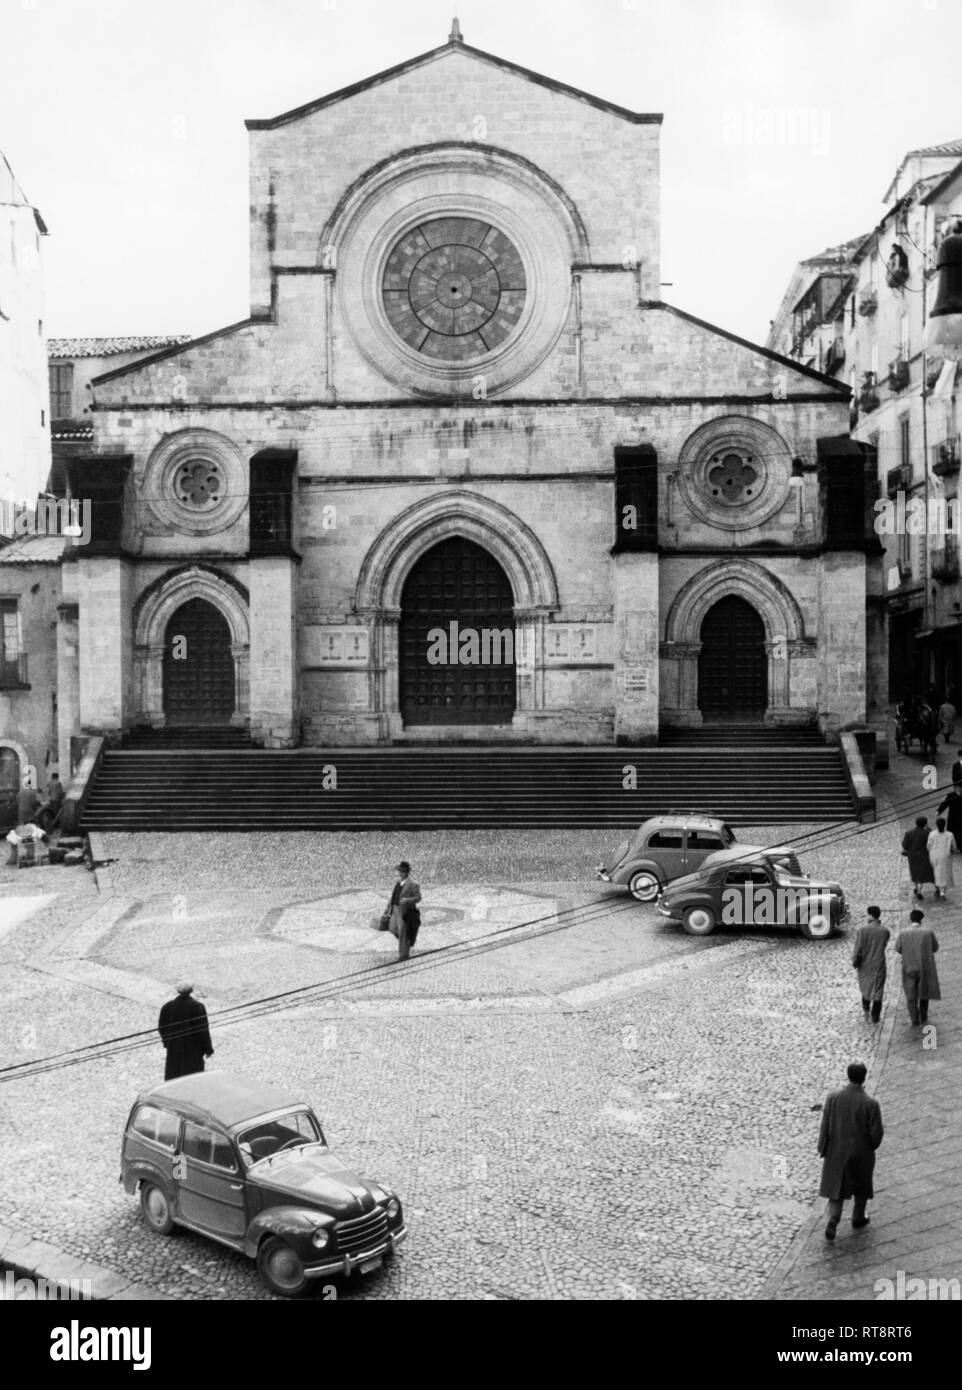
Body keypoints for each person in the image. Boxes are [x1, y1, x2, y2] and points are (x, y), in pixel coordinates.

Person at [817, 1061, 884, 1241]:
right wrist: (871, 1146)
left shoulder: (833, 1097)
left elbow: (825, 1123)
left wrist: (822, 1146)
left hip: (837, 1150)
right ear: (864, 1078)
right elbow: (876, 1133)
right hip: (861, 1152)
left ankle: (834, 1218)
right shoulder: (871, 1104)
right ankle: (858, 1216)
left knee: (837, 1188)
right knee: (861, 1185)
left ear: (848, 1075)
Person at [157, 983, 214, 1081]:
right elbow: (203, 1030)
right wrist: (208, 1049)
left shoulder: (167, 1007)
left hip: (173, 1049)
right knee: (192, 1078)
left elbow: (162, 1027)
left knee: (174, 1077)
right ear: (190, 992)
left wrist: (167, 1043)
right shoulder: (197, 1007)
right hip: (193, 1050)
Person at [895, 909, 941, 1027]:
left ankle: (914, 1019)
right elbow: (935, 947)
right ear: (921, 919)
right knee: (924, 991)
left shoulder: (903, 933)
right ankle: (923, 1015)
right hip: (924, 966)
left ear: (911, 919)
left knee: (911, 994)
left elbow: (898, 948)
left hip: (909, 966)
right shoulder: (928, 932)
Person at [852, 906, 889, 1024]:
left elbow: (858, 948)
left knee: (866, 985)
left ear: (870, 915)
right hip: (879, 963)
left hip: (865, 964)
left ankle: (866, 1006)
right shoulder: (885, 931)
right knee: (878, 988)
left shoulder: (862, 930)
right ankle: (876, 1015)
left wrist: (855, 961)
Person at [386, 860, 422, 963]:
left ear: (407, 872)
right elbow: (394, 895)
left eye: (403, 872)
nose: (401, 873)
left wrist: (407, 900)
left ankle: (403, 955)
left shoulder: (413, 884)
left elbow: (418, 898)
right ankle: (407, 941)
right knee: (392, 928)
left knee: (402, 932)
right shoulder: (398, 882)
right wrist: (388, 906)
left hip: (404, 912)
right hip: (395, 909)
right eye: (400, 871)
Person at [901, 816, 934, 900]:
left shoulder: (909, 833)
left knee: (915, 874)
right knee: (921, 875)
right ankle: (919, 891)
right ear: (925, 823)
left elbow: (904, 845)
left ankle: (916, 888)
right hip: (924, 856)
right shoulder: (928, 833)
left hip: (912, 857)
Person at [926, 816, 957, 901]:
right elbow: (954, 847)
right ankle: (942, 891)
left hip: (934, 856)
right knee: (944, 874)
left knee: (936, 872)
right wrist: (952, 852)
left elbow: (928, 846)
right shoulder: (950, 834)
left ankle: (937, 887)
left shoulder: (932, 834)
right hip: (945, 856)